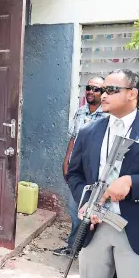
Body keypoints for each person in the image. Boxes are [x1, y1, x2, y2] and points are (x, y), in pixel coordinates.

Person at [67, 69, 139, 278]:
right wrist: (86, 200)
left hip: (135, 229)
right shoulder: (89, 132)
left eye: (112, 90)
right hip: (94, 228)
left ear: (132, 94)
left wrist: (132, 183)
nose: (103, 95)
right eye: (103, 89)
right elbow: (74, 174)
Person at [54, 76, 106, 256]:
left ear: (104, 92)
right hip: (78, 171)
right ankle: (73, 248)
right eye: (89, 87)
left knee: (93, 212)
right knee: (75, 209)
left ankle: (88, 251)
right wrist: (66, 160)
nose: (91, 91)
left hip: (97, 172)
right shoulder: (80, 112)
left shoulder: (108, 116)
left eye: (96, 89)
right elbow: (73, 138)